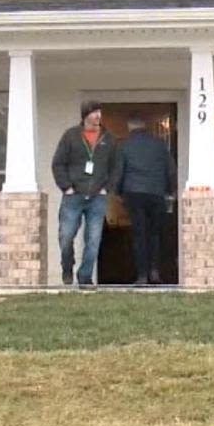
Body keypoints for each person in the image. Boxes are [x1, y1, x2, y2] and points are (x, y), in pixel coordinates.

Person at [51, 101, 117, 287]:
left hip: (97, 197)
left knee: (94, 239)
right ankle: (67, 266)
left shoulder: (108, 139)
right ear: (85, 115)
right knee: (66, 236)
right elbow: (58, 164)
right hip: (73, 196)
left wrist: (107, 188)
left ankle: (85, 277)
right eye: (94, 112)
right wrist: (66, 188)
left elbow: (115, 168)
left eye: (99, 112)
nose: (98, 116)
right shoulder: (71, 136)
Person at [114, 113, 175, 285]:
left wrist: (118, 193)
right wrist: (170, 192)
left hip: (133, 193)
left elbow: (119, 171)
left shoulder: (124, 146)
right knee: (155, 234)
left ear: (129, 127)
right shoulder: (159, 144)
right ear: (144, 126)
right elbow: (170, 169)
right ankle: (154, 272)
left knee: (139, 235)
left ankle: (141, 276)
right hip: (156, 193)